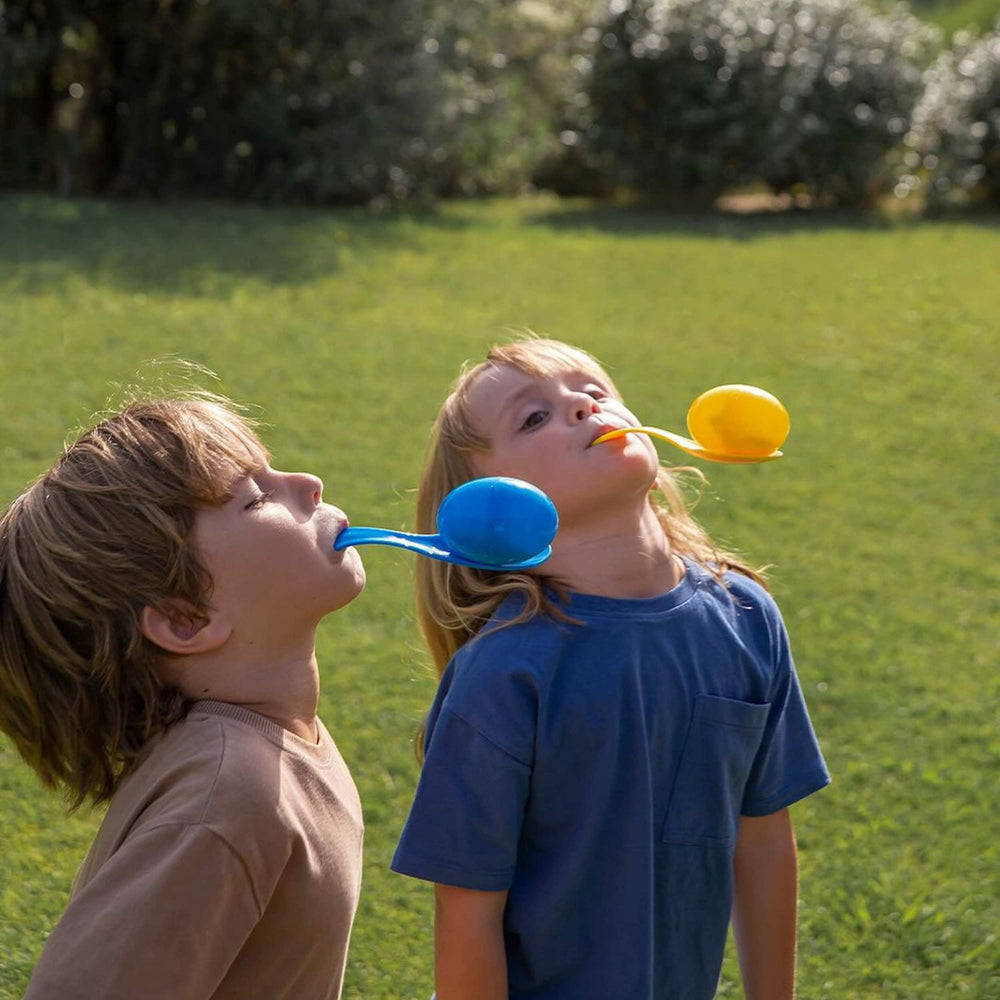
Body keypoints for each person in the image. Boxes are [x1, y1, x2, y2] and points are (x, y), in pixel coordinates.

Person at [391, 337, 831, 1000]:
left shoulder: (745, 615)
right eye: (533, 417)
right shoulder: (505, 674)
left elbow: (763, 839)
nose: (581, 407)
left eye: (593, 390)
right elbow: (467, 912)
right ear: (493, 508)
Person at [0, 391, 367, 1000]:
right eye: (255, 498)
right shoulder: (227, 800)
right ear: (185, 620)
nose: (308, 482)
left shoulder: (266, 746)